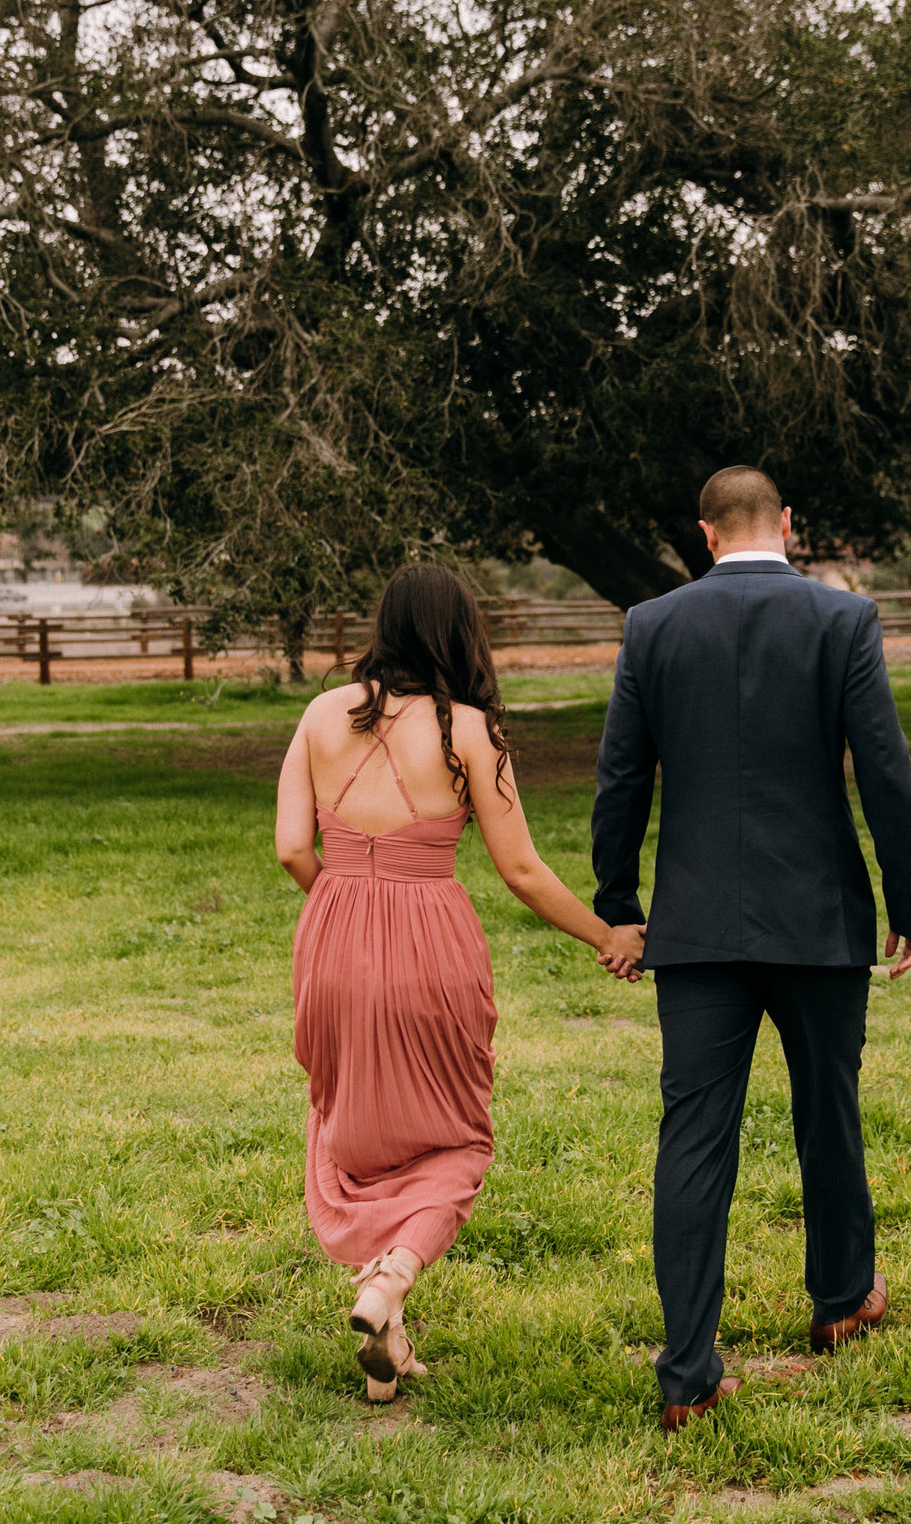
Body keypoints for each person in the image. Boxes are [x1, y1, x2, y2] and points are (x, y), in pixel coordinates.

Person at [591, 465, 911, 1432]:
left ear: (705, 534)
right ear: (788, 522)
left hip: (695, 926)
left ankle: (688, 1374)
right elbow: (886, 769)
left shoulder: (652, 626)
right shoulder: (842, 621)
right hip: (819, 920)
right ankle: (840, 1300)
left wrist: (620, 901)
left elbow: (621, 778)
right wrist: (909, 899)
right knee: (830, 1109)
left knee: (692, 1140)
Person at [276, 564, 646, 1403]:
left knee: (355, 1126)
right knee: (457, 1139)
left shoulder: (319, 714)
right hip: (432, 947)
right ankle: (392, 1277)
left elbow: (294, 850)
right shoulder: (470, 729)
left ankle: (388, 1339)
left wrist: (345, 909)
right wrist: (607, 934)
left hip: (331, 939)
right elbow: (519, 866)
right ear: (459, 632)